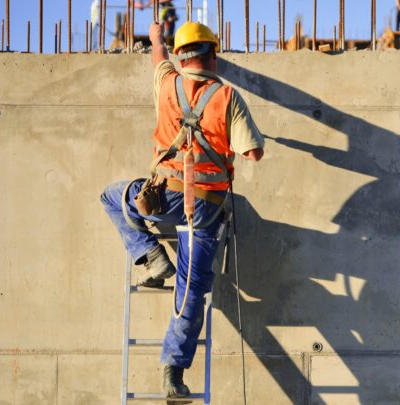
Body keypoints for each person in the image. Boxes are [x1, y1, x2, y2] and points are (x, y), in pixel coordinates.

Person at [100, 21, 264, 399]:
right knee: (191, 293)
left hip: (162, 200)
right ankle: (172, 373)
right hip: (205, 208)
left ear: (179, 56)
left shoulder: (166, 83)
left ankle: (151, 255)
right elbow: (253, 152)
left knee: (113, 197)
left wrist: (157, 38)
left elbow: (158, 58)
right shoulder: (227, 97)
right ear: (213, 56)